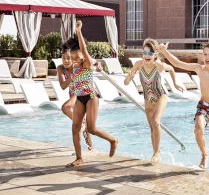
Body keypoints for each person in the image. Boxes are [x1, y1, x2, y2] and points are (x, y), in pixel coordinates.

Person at [157, 42, 209, 174]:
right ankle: (204, 155)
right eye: (205, 54)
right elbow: (178, 64)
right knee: (198, 129)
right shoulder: (199, 68)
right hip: (203, 106)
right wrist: (164, 52)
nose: (207, 57)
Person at [65, 20, 118, 167]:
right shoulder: (75, 67)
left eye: (77, 57)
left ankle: (113, 140)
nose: (74, 60)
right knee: (75, 127)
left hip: (91, 98)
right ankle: (79, 158)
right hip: (80, 99)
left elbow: (83, 48)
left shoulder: (87, 63)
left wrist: (79, 31)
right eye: (72, 58)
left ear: (83, 55)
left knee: (91, 129)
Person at [124, 38, 184, 165]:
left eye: (150, 54)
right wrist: (129, 76)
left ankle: (157, 152)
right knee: (152, 128)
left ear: (155, 55)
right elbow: (126, 83)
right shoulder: (138, 64)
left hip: (161, 97)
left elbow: (172, 69)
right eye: (144, 53)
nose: (146, 56)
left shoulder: (158, 65)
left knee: (156, 122)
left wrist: (175, 83)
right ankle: (155, 153)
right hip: (147, 101)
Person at [57, 44, 93, 151]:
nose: (66, 60)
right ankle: (91, 148)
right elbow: (63, 86)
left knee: (65, 108)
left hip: (81, 94)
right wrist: (71, 77)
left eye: (69, 58)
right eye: (64, 58)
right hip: (73, 95)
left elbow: (90, 63)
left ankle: (82, 124)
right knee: (84, 126)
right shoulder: (61, 69)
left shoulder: (78, 66)